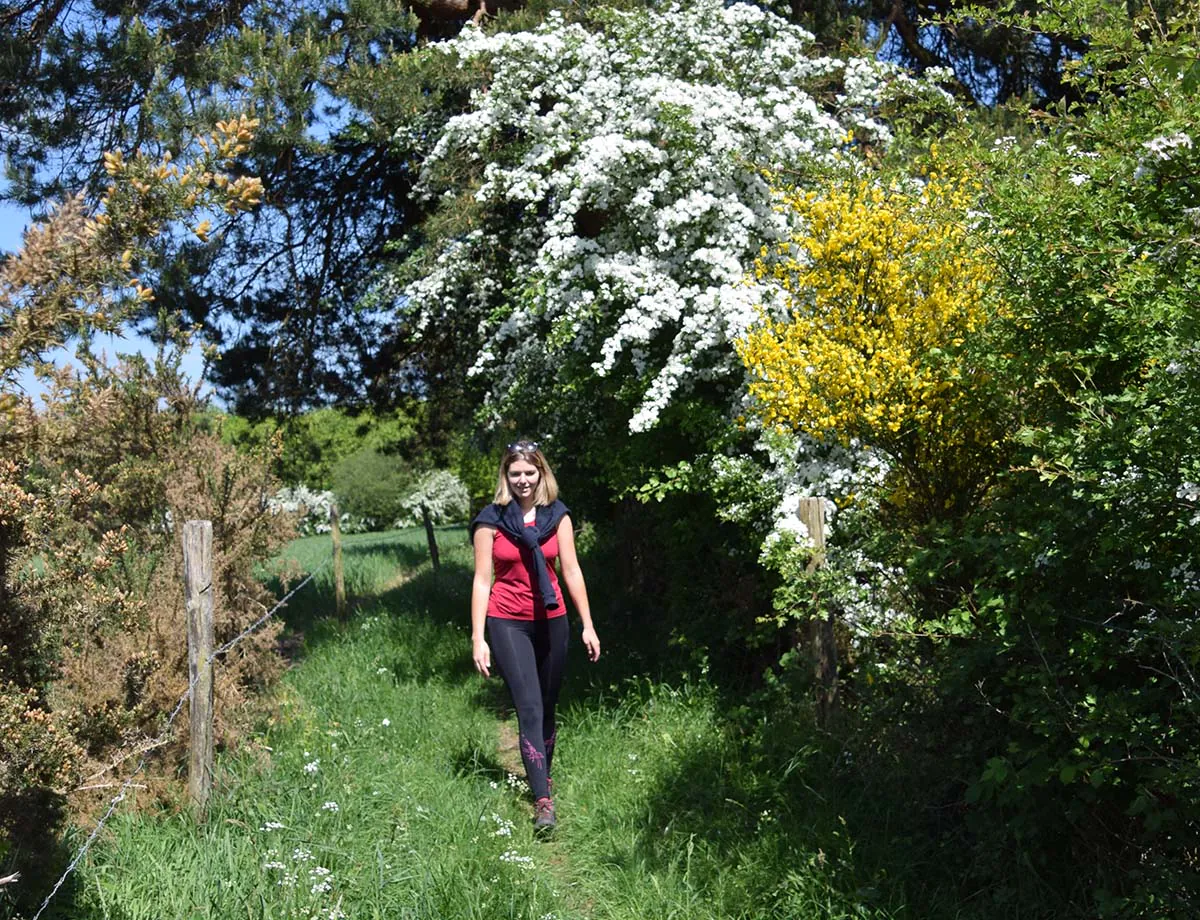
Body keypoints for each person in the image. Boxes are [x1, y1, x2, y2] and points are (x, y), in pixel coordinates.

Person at [469, 439, 600, 832]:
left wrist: (588, 624)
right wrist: (479, 637)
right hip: (507, 621)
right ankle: (543, 801)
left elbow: (571, 570)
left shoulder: (557, 516)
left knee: (547, 704)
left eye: (529, 472)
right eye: (515, 474)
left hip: (552, 618)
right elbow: (481, 580)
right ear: (505, 478)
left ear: (541, 474)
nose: (523, 480)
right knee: (528, 707)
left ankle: (542, 774)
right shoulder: (490, 521)